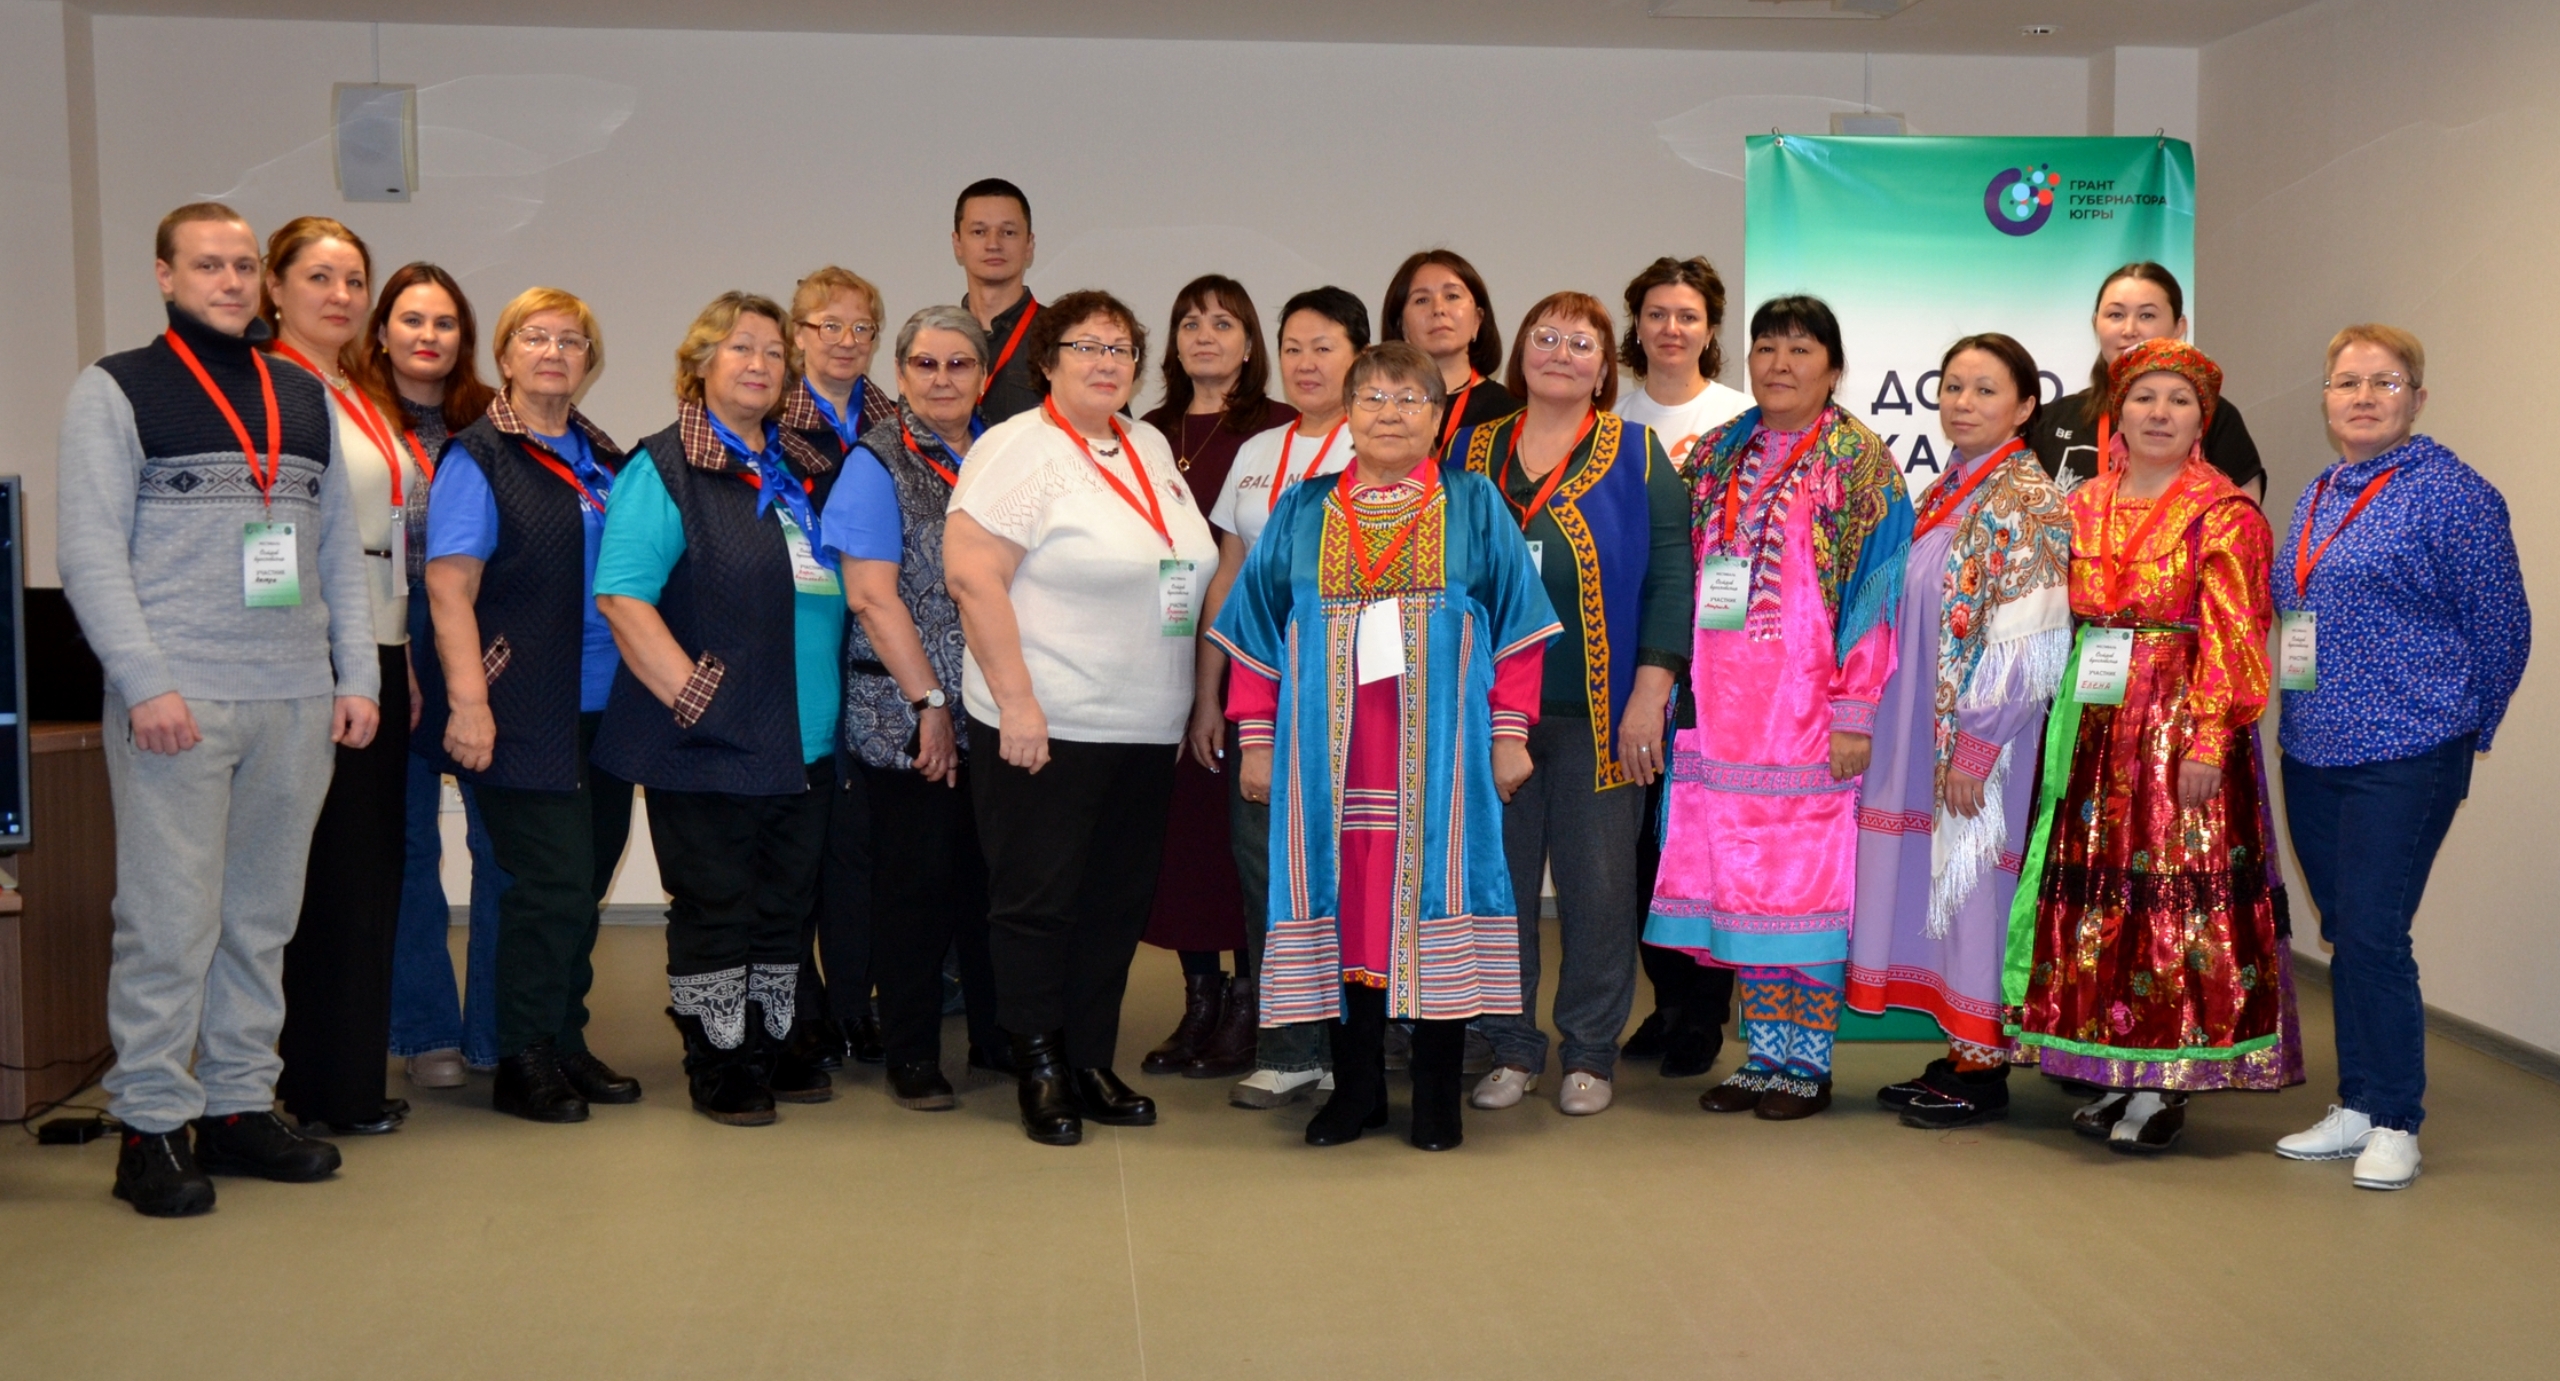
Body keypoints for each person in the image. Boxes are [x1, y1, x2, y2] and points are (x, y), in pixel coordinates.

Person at [58, 202, 374, 1215]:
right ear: (165, 275)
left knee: (261, 918)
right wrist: (144, 680)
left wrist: (356, 676)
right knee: (168, 920)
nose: (230, 282)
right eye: (207, 265)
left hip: (295, 695)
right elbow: (89, 552)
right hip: (179, 698)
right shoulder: (117, 388)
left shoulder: (302, 393)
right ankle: (151, 1124)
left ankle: (237, 1107)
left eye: (243, 265)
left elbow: (336, 551)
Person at [1209, 341, 1561, 1151]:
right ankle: (1358, 1091)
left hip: (1442, 766)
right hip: (1325, 765)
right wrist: (1256, 740)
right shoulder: (1303, 508)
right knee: (1344, 914)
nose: (1391, 414)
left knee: (1435, 902)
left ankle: (1437, 1095)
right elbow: (1254, 631)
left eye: (1410, 400)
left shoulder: (1473, 503)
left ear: (1438, 419)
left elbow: (1521, 626)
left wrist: (1510, 733)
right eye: (1373, 398)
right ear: (1348, 414)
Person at [943, 289, 1219, 1146]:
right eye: (1087, 346)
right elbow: (971, 575)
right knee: (1038, 903)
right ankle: (1038, 1064)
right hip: (1047, 721)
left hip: (1144, 725)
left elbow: (1181, 566)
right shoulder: (1016, 447)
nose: (1106, 362)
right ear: (1048, 361)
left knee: (1113, 904)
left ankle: (1092, 1057)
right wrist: (1017, 701)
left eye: (1120, 348)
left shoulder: (1146, 445)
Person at [2009, 338, 2298, 1153]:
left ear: (2203, 419)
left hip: (2178, 724)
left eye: (2179, 401)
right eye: (2144, 398)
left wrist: (2210, 737)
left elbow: (2237, 635)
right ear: (2118, 412)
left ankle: (2163, 1077)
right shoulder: (2083, 502)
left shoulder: (2225, 513)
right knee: (2104, 899)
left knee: (2169, 898)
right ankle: (2115, 1063)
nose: (2159, 414)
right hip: (2095, 724)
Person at [2271, 324, 2529, 1190]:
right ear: (2326, 398)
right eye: (2347, 382)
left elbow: (2504, 628)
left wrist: (2461, 727)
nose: (2363, 397)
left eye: (2384, 382)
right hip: (2313, 747)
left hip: (2407, 752)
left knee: (2376, 932)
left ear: (2417, 398)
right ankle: (2356, 1102)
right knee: (2347, 929)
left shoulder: (2455, 494)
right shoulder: (2320, 492)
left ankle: (2395, 1119)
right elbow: (2295, 613)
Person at [1647, 295, 1913, 1121]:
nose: (1780, 364)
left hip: (1808, 717)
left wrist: (1854, 708)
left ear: (1833, 367)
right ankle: (1764, 1057)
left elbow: (1876, 594)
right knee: (1744, 888)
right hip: (1718, 713)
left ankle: (1808, 1065)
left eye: (1800, 349)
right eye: (1766, 348)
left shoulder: (1861, 462)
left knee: (1804, 891)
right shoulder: (1716, 453)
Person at [593, 292, 845, 1125]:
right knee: (716, 903)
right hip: (708, 737)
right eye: (740, 347)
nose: (760, 364)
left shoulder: (801, 468)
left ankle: (769, 1044)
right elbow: (624, 598)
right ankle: (719, 1061)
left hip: (804, 736)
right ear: (699, 364)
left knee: (784, 905)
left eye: (774, 352)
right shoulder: (664, 468)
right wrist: (698, 701)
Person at [1455, 292, 1690, 1119]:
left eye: (1580, 342)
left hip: (1601, 717)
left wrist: (1649, 697)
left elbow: (1672, 578)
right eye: (1546, 337)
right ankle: (1510, 1044)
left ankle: (1590, 1050)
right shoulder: (1469, 448)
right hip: (1485, 716)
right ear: (1520, 351)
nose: (1560, 352)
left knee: (1599, 890)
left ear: (1604, 366)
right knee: (1497, 888)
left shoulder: (1640, 453)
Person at [424, 286, 642, 1124]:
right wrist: (468, 704)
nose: (555, 352)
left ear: (590, 360)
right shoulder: (478, 457)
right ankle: (522, 1056)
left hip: (608, 705)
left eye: (571, 340)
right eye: (536, 337)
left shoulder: (601, 455)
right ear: (505, 354)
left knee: (584, 881)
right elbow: (450, 588)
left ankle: (565, 1040)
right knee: (547, 885)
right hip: (521, 707)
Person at [1844, 334, 2072, 1128]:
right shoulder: (1951, 487)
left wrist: (1979, 744)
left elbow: (2032, 643)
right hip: (1922, 729)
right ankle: (1960, 1047)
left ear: (2025, 405)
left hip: (1983, 744)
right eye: (1952, 387)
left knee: (1975, 884)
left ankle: (1982, 1065)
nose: (1963, 403)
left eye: (1984, 389)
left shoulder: (2026, 499)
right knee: (1944, 884)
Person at [254, 217, 419, 1138]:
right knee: (321, 877)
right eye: (318, 277)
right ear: (275, 288)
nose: (341, 295)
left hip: (378, 645)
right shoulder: (268, 387)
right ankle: (313, 1085)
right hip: (312, 651)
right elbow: (268, 534)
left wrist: (401, 658)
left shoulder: (355, 388)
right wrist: (296, 653)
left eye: (354, 280)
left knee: (366, 872)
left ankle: (346, 1078)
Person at [816, 304, 1005, 1111]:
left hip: (997, 708)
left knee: (990, 884)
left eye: (959, 363)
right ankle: (913, 1053)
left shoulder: (1005, 454)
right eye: (925, 364)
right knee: (916, 890)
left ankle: (997, 1036)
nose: (942, 379)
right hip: (907, 711)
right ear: (899, 376)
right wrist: (929, 701)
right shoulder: (875, 460)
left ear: (983, 375)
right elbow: (870, 595)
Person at [1186, 286, 1365, 1104]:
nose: (1305, 362)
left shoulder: (1376, 442)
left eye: (1323, 346)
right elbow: (1227, 578)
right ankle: (1289, 1046)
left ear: (1358, 355)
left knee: (1350, 870)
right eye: (1292, 347)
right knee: (1265, 866)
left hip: (1356, 696)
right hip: (1261, 696)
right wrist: (1208, 693)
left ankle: (1357, 1044)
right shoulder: (1259, 449)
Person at [1138, 275, 1294, 1083]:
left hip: (1246, 663)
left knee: (1244, 841)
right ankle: (1198, 997)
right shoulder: (1146, 431)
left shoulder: (1275, 430)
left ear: (1249, 341)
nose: (1206, 335)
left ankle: (1247, 1000)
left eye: (1224, 322)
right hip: (1161, 657)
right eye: (1190, 322)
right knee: (1183, 839)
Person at [1612, 255, 1754, 1078]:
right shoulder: (1610, 421)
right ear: (1636, 325)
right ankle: (1664, 998)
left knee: (1704, 833)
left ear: (1710, 328)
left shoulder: (1741, 418)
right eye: (1657, 313)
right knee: (1639, 839)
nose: (1672, 328)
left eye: (1688, 315)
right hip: (1631, 655)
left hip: (1724, 665)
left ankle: (1705, 1008)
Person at [367, 262, 506, 1091]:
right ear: (382, 331)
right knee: (410, 841)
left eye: (445, 322)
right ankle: (424, 1029)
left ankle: (494, 1030)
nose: (428, 335)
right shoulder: (352, 418)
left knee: (500, 842)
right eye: (412, 319)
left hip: (479, 634)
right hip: (387, 632)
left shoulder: (492, 418)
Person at [779, 265, 899, 1071]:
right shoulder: (766, 421)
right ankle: (803, 1004)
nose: (846, 341)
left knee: (858, 851)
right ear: (798, 335)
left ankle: (856, 1002)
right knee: (797, 846)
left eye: (861, 328)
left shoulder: (895, 422)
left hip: (876, 649)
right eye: (829, 325)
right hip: (799, 649)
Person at [2028, 262, 2264, 496]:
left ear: (2178, 328)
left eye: (2147, 315)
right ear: (2095, 323)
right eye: (2116, 315)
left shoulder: (2214, 417)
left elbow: (2245, 513)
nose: (2129, 330)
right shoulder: (2050, 421)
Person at [1381, 250, 1514, 452]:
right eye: (1421, 300)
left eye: (1452, 296)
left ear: (1477, 320)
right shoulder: (1379, 409)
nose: (1438, 309)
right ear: (1401, 326)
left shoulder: (1510, 412)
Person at [953, 178, 1042, 424]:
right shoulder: (936, 339)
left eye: (1008, 232)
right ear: (958, 244)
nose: (993, 244)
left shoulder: (1061, 338)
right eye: (979, 232)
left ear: (1029, 245)